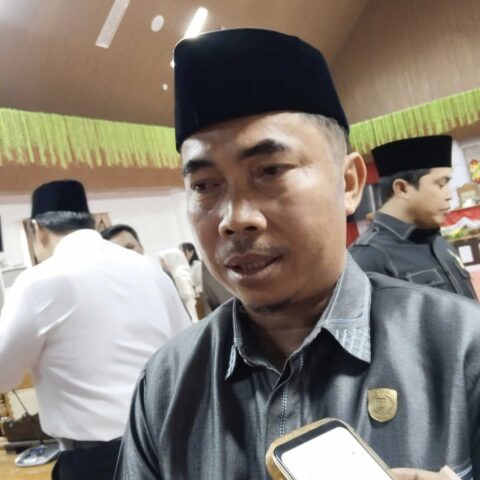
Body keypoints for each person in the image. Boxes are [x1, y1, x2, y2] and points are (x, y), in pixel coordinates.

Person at [114, 29, 480, 480]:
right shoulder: (166, 384)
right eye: (205, 185)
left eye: (270, 171)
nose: (235, 219)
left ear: (349, 183)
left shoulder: (463, 349)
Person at [0, 180, 191, 480]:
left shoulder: (39, 281)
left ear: (38, 230)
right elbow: (188, 350)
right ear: (89, 221)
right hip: (171, 445)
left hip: (99, 462)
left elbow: (3, 373)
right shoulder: (148, 269)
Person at [350, 136, 477, 299]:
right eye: (441, 184)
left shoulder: (437, 241)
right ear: (402, 188)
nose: (449, 195)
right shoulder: (368, 258)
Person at [159, 248, 199, 322]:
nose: (162, 265)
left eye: (163, 261)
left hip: (192, 311)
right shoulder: (184, 271)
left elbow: (187, 296)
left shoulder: (179, 275)